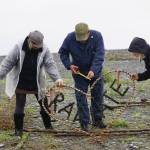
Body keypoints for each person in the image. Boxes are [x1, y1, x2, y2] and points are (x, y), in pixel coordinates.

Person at [0, 30, 64, 136]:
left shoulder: (45, 49)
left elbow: (50, 64)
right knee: (19, 107)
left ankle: (48, 128)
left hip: (37, 82)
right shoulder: (18, 46)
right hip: (21, 81)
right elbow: (7, 63)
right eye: (35, 45)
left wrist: (57, 78)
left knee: (44, 105)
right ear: (30, 41)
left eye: (39, 45)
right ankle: (18, 131)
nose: (37, 47)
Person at [59, 23, 106, 131]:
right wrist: (69, 65)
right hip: (79, 72)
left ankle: (97, 120)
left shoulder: (97, 36)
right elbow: (62, 52)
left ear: (89, 32)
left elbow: (100, 54)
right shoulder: (70, 38)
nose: (81, 40)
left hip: (96, 72)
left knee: (97, 96)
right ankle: (84, 123)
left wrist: (93, 70)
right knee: (81, 97)